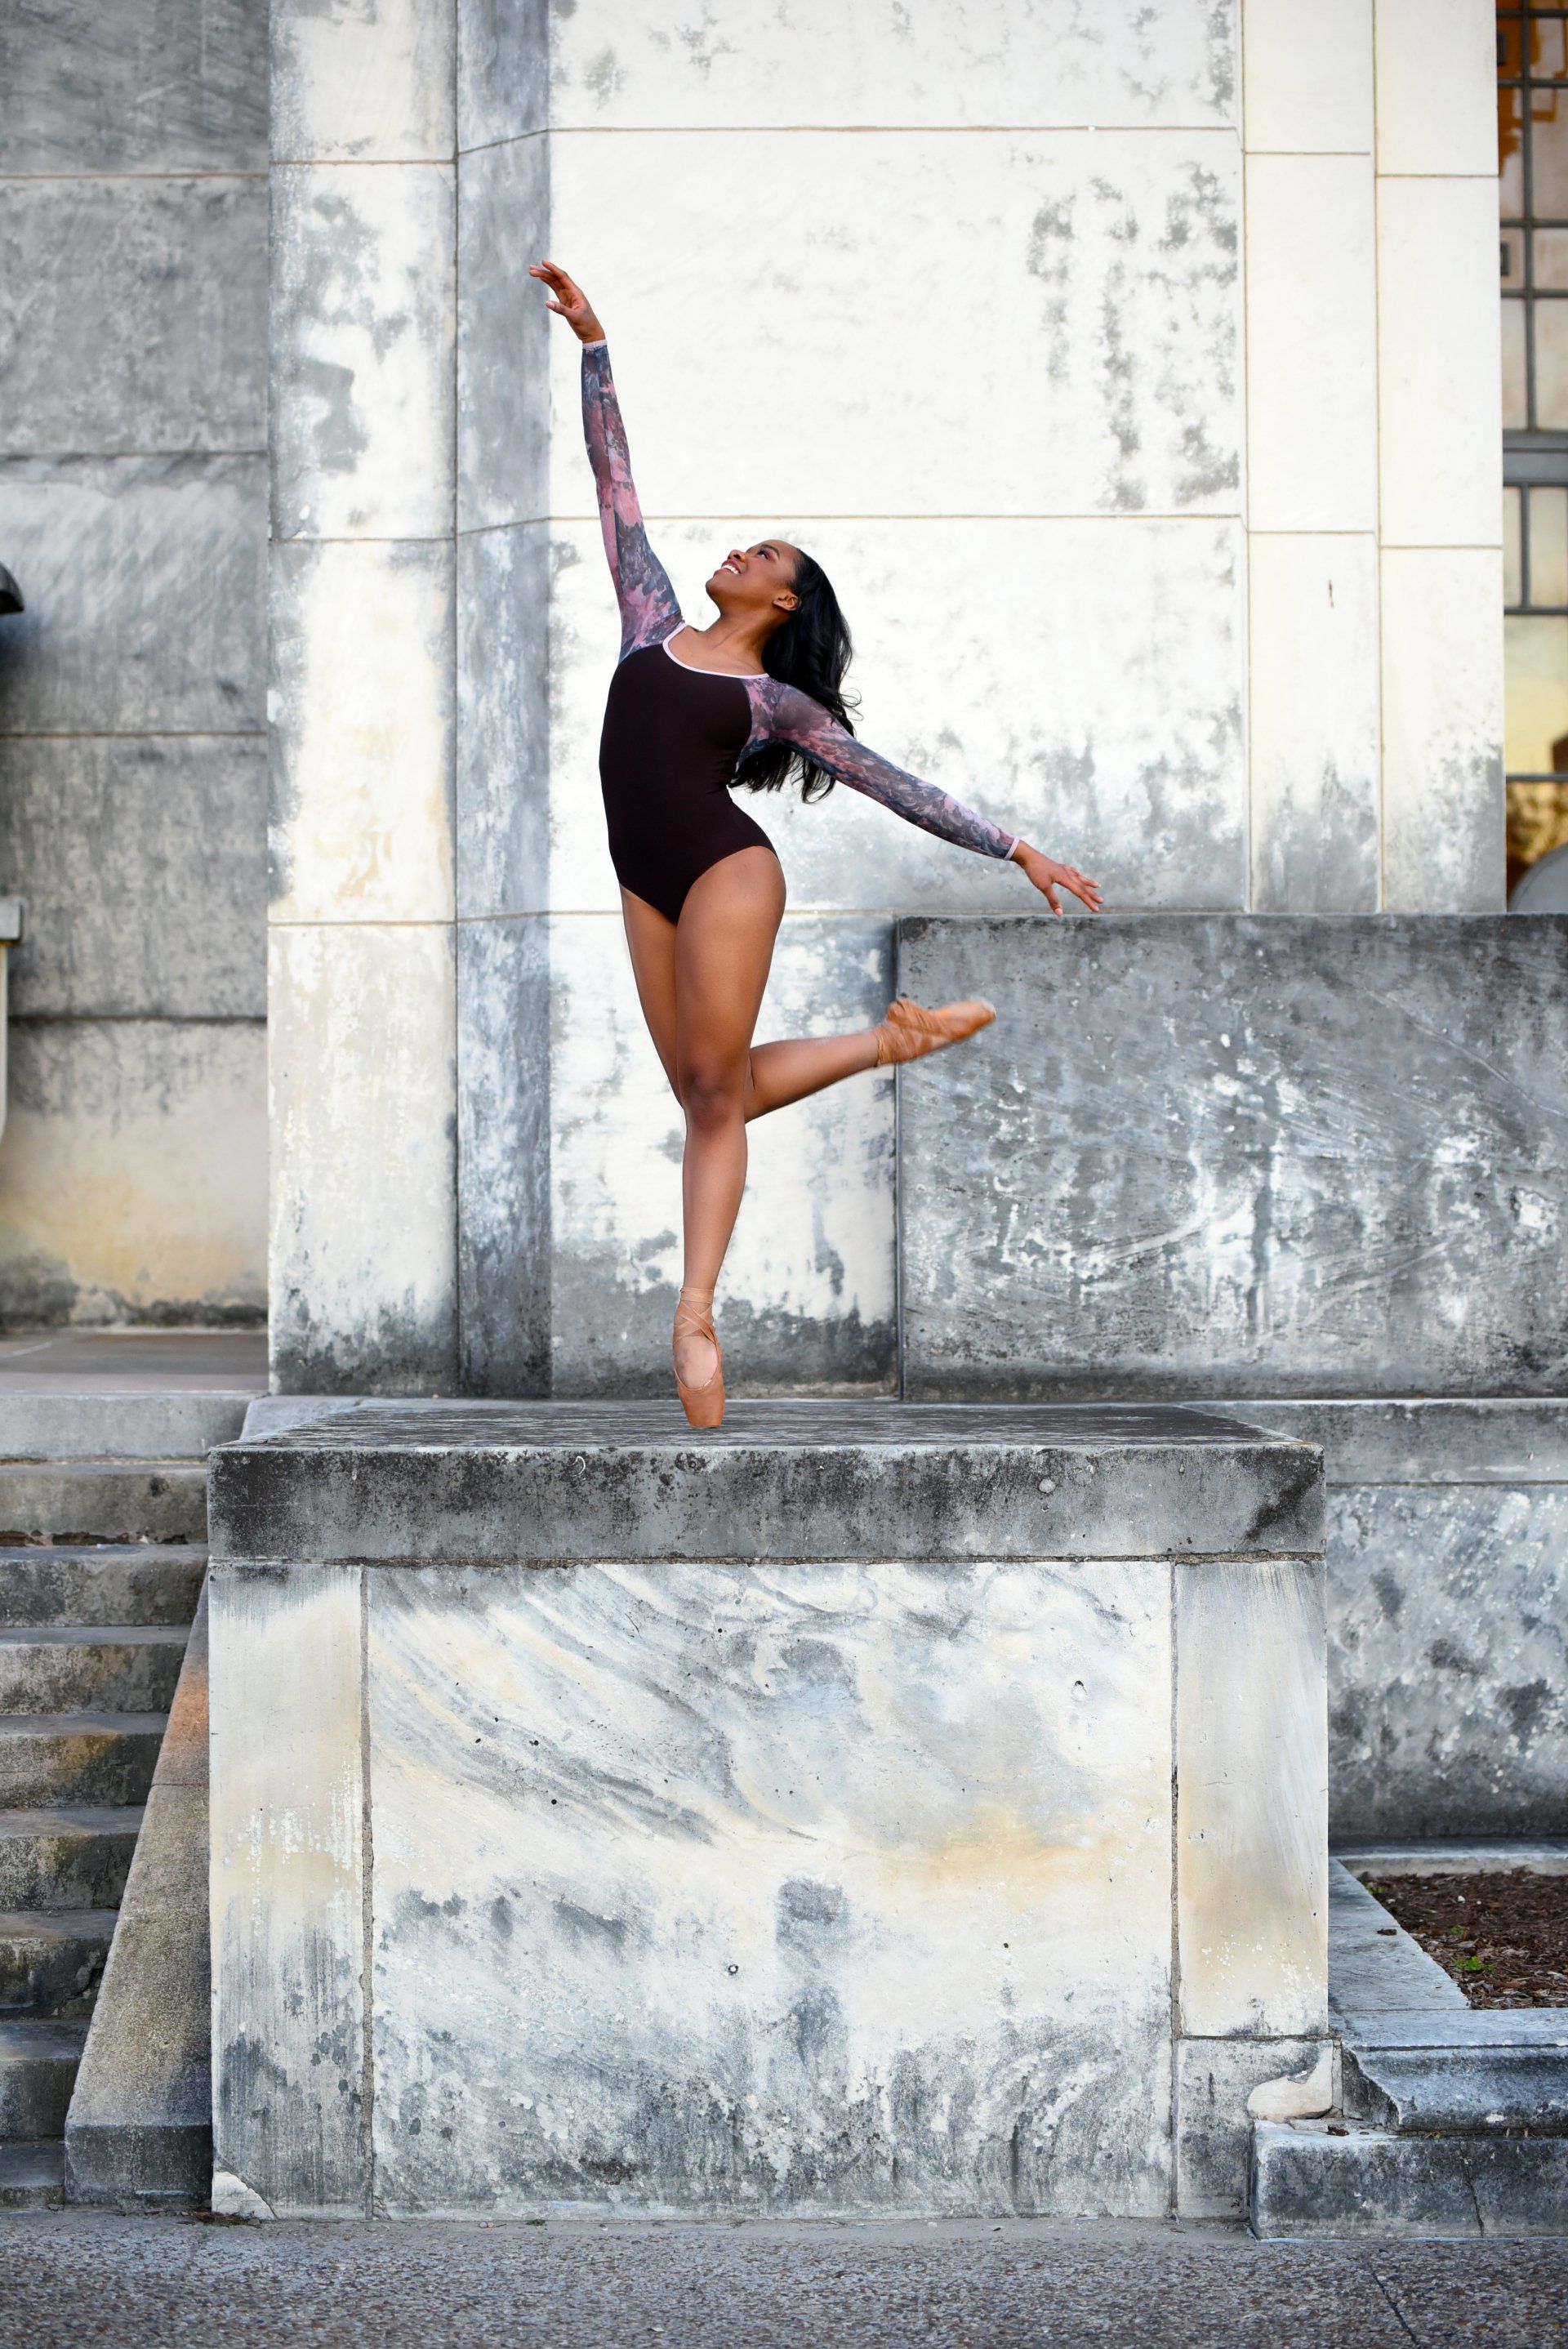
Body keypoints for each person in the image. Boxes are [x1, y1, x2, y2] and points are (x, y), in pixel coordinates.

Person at [531, 261, 1102, 1426]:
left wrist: (1015, 849)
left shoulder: (778, 706)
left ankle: (694, 1314)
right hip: (641, 878)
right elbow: (616, 489)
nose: (738, 555)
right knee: (708, 1090)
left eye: (762, 559)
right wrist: (596, 346)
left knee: (712, 1097)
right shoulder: (652, 621)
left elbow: (897, 787)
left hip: (726, 875)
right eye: (742, 546)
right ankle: (887, 1044)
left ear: (784, 605)